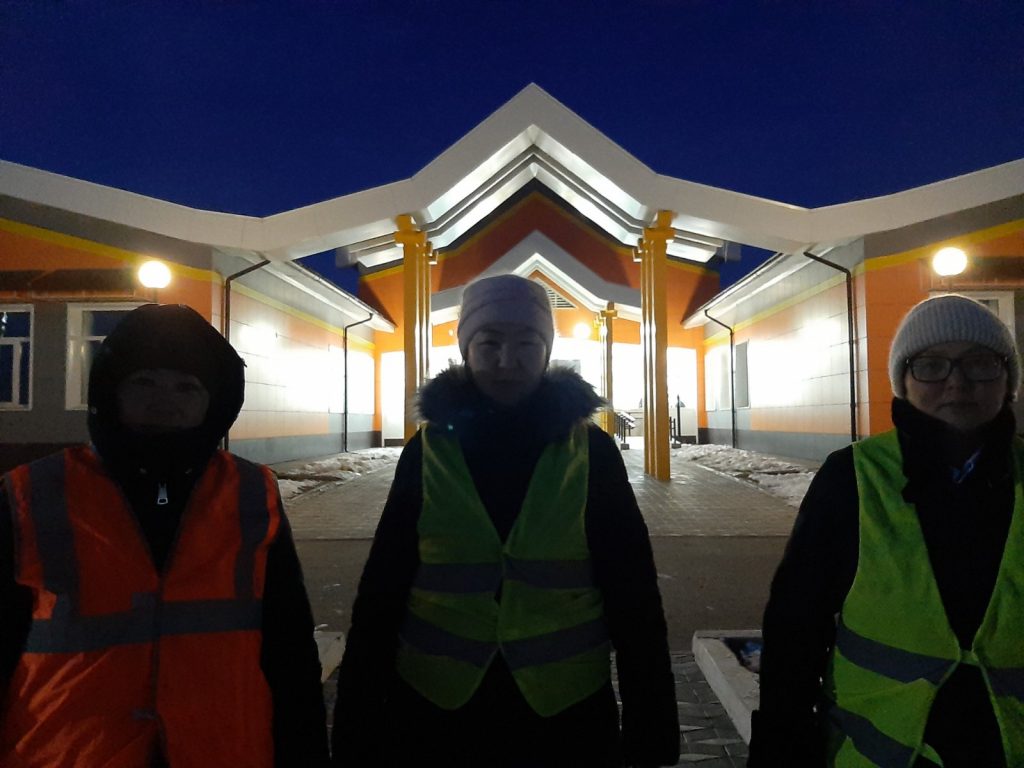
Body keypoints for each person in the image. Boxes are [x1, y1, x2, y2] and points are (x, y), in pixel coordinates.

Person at [331, 274, 679, 767]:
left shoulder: (591, 453)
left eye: (527, 343)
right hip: (437, 711)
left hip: (565, 714)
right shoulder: (428, 452)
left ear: (547, 351)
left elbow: (633, 591)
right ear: (465, 351)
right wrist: (358, 723)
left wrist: (651, 727)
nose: (506, 361)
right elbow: (383, 589)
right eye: (489, 343)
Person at [0, 304, 330, 767]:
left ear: (213, 401)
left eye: (186, 386)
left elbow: (289, 649)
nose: (164, 400)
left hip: (224, 751)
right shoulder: (33, 494)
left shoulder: (252, 493)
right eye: (145, 381)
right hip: (68, 752)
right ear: (111, 390)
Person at [748, 294, 1023, 767]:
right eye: (931, 366)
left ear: (1008, 380)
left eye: (980, 364)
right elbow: (796, 626)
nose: (957, 383)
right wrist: (782, 746)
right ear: (903, 381)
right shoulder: (852, 477)